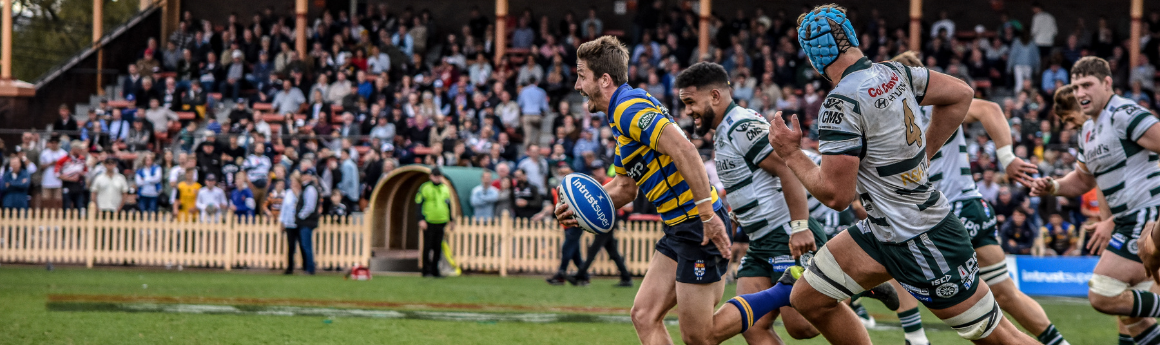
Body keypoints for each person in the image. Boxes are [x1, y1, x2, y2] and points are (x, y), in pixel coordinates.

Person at [765, 6, 1037, 344]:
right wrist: (926, 151)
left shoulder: (840, 103)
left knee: (1000, 338)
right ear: (850, 37)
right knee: (808, 298)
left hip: (920, 237)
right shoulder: (898, 73)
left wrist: (790, 154)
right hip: (885, 229)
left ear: (815, 55)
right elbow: (961, 93)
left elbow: (837, 195)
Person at [555, 36, 777, 345]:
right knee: (644, 315)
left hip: (697, 224)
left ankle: (781, 294)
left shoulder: (629, 109)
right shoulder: (622, 119)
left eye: (582, 76)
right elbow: (624, 188)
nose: (577, 85)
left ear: (604, 79)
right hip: (680, 227)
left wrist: (707, 214)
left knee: (699, 336)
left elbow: (685, 150)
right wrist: (580, 209)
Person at [675, 61, 895, 343]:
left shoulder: (741, 126)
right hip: (760, 241)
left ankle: (850, 287)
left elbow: (787, 168)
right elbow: (755, 185)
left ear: (715, 96)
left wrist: (800, 226)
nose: (687, 111)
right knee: (752, 325)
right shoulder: (725, 130)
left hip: (785, 234)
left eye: (691, 102)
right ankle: (840, 284)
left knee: (802, 326)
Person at [893, 51, 1071, 345]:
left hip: (943, 214)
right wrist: (1007, 157)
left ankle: (915, 339)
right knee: (1004, 292)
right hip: (973, 206)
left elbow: (988, 109)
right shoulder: (942, 102)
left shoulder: (906, 110)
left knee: (893, 251)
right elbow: (989, 109)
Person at [1032, 57, 1160, 345]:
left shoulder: (1125, 113)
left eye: (1087, 85)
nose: (1080, 93)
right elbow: (1082, 180)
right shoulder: (1088, 129)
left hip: (1145, 217)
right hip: (1128, 221)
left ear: (1107, 83)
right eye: (1076, 86)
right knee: (1134, 318)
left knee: (1103, 293)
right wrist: (1051, 186)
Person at [416, 167, 454, 278]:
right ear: (431, 176)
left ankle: (435, 270)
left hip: (441, 221)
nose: (437, 178)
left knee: (437, 247)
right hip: (429, 221)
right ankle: (426, 270)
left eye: (439, 176)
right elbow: (418, 204)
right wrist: (420, 219)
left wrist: (451, 220)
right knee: (428, 247)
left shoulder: (445, 188)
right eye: (435, 176)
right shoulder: (425, 188)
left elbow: (448, 204)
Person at [294, 168, 320, 275]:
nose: (303, 176)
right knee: (306, 245)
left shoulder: (310, 189)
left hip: (307, 221)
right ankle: (308, 267)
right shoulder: (308, 188)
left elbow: (309, 207)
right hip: (307, 221)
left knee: (306, 245)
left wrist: (300, 216)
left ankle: (310, 268)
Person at [55, 141, 89, 210]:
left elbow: (86, 171)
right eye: (79, 148)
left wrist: (82, 174)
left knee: (79, 205)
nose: (81, 150)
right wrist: (69, 178)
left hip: (78, 185)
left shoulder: (82, 159)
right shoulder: (64, 159)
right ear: (74, 148)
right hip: (67, 185)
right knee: (66, 205)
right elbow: (56, 173)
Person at [38, 136, 67, 209]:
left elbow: (66, 167)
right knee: (46, 200)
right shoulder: (45, 153)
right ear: (50, 143)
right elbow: (41, 167)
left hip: (58, 181)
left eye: (56, 143)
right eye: (52, 143)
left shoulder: (63, 153)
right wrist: (50, 164)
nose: (54, 145)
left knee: (58, 200)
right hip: (47, 180)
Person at [280, 173, 300, 274]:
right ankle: (290, 267)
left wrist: (296, 193)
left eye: (294, 182)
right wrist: (282, 222)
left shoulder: (301, 193)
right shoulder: (287, 193)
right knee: (291, 246)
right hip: (289, 223)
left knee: (302, 245)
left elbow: (300, 203)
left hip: (299, 223)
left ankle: (305, 266)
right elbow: (284, 208)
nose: (292, 184)